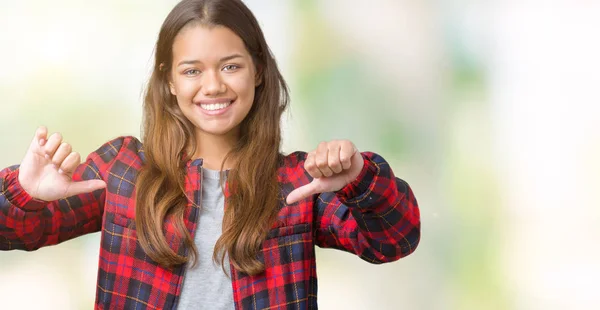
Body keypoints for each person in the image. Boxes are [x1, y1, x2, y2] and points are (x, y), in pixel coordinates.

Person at [0, 0, 421, 309]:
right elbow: (12, 231)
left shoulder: (297, 183)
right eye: (192, 70)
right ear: (168, 81)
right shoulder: (123, 169)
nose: (213, 85)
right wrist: (25, 191)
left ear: (257, 71)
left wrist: (361, 177)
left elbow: (394, 241)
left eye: (230, 66)